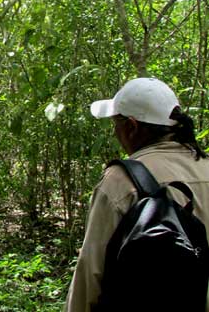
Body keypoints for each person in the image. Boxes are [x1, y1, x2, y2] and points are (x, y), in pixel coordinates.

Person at [64, 77, 209, 312]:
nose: (114, 133)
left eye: (116, 125)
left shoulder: (121, 181)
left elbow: (91, 275)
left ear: (131, 127)